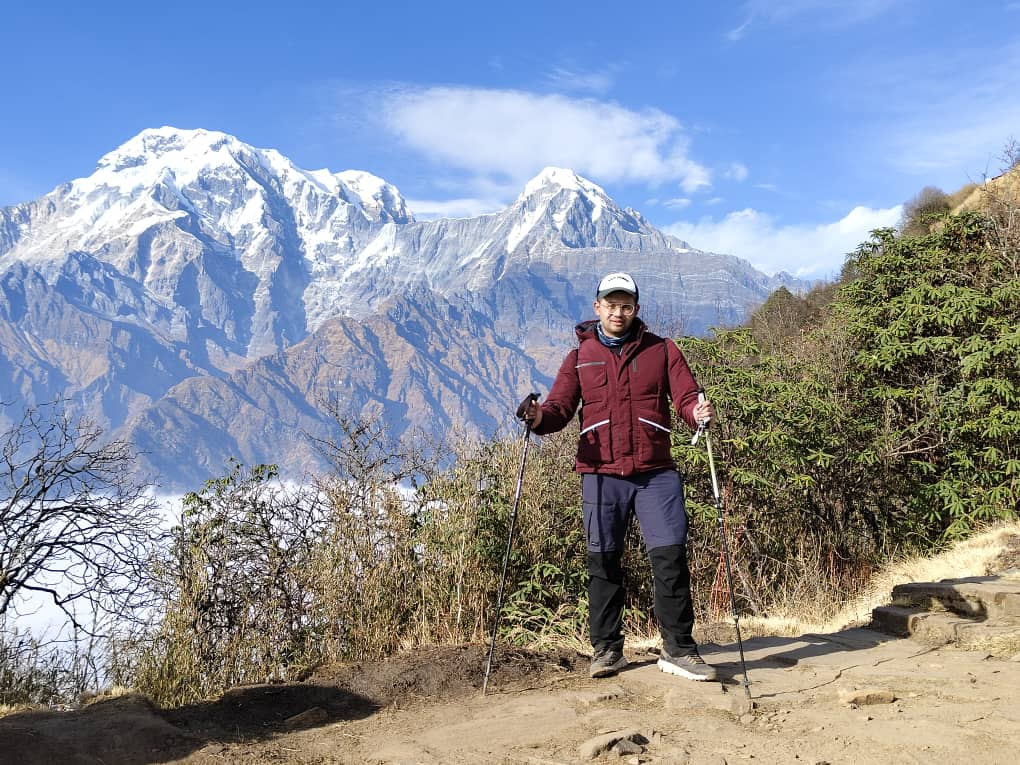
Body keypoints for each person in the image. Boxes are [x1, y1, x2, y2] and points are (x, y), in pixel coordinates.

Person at [520, 272, 718, 681]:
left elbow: (685, 396)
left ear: (636, 310)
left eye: (626, 305)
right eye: (611, 304)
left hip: (655, 472)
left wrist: (695, 413)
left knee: (670, 559)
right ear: (598, 308)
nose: (618, 312)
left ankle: (679, 650)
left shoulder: (662, 351)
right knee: (603, 562)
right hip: (599, 474)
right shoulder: (579, 357)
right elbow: (558, 408)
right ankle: (608, 650)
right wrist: (537, 417)